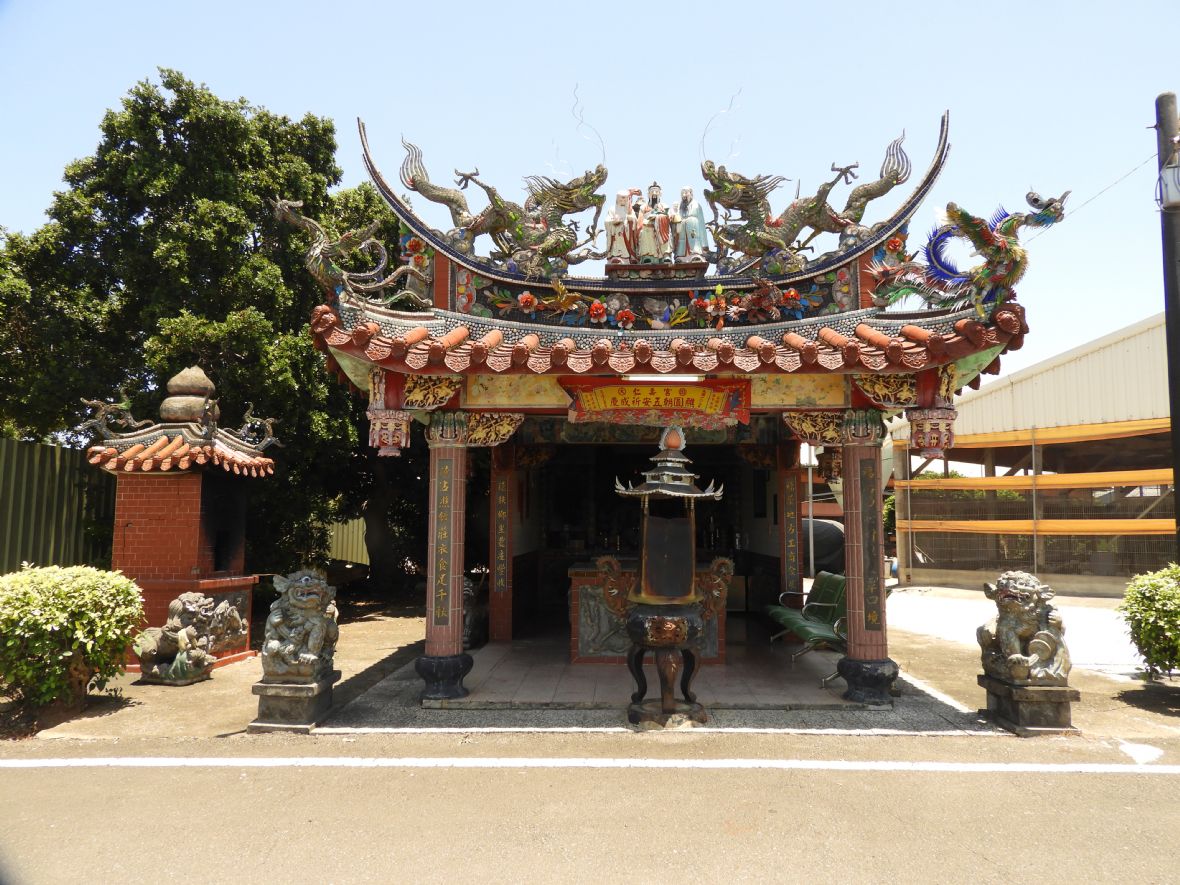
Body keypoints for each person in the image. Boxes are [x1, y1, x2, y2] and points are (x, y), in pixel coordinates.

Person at [635, 182, 673, 263]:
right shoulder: (643, 207)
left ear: (660, 194)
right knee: (645, 231)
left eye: (657, 192)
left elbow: (669, 217)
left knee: (663, 220)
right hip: (647, 226)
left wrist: (658, 217)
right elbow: (640, 221)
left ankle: (665, 254)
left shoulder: (664, 206)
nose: (654, 194)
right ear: (648, 194)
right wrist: (647, 221)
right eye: (652, 192)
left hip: (662, 227)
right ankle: (648, 256)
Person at [671, 186, 709, 261]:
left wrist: (704, 243)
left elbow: (701, 222)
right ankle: (681, 255)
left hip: (693, 226)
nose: (684, 195)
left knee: (694, 238)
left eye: (686, 193)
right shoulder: (680, 206)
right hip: (682, 225)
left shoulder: (696, 205)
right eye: (682, 193)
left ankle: (696, 253)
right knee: (681, 240)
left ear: (691, 193)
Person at [604, 188, 640, 263]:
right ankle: (615, 256)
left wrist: (629, 218)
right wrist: (613, 221)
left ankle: (630, 256)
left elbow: (634, 219)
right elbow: (607, 221)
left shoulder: (629, 209)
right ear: (617, 199)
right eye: (621, 200)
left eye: (624, 200)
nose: (623, 201)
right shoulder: (612, 209)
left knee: (626, 227)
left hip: (626, 231)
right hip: (615, 231)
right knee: (617, 236)